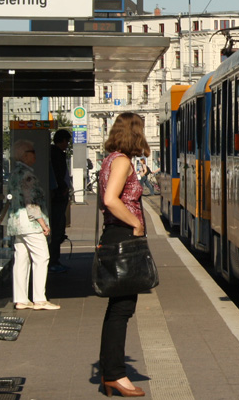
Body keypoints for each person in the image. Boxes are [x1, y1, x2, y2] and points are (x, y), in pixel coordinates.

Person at [98, 112, 151, 398]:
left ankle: (110, 372)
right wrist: (135, 223)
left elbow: (101, 204)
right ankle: (116, 375)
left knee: (117, 308)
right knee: (121, 310)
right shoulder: (122, 162)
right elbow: (109, 201)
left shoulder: (108, 161)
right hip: (123, 237)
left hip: (113, 234)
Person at [5, 140, 60, 311]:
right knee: (41, 257)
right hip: (30, 224)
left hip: (16, 223)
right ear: (25, 155)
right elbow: (30, 201)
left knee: (21, 259)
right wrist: (42, 223)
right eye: (33, 151)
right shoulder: (27, 175)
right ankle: (39, 298)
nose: (35, 155)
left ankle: (21, 299)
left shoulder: (14, 173)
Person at [48, 129, 72, 273]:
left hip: (58, 196)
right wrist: (62, 188)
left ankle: (54, 260)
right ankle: (53, 261)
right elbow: (58, 174)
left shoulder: (54, 153)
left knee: (58, 227)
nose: (67, 145)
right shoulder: (56, 154)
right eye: (66, 142)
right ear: (62, 140)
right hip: (58, 197)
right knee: (57, 228)